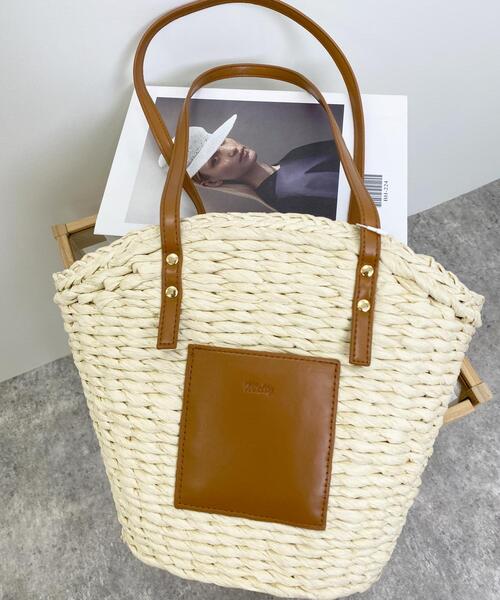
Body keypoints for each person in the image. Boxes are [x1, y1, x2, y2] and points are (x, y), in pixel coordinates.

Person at [159, 113, 340, 219]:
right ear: (212, 182)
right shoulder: (290, 190)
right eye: (215, 160)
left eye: (223, 142)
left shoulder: (289, 160)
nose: (231, 149)